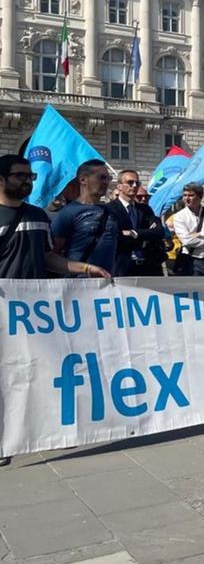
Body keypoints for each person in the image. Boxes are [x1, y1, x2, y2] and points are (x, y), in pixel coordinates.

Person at [0, 154, 110, 466]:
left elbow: (50, 258)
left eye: (29, 176)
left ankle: (33, 432)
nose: (27, 181)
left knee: (33, 370)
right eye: (20, 175)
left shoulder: (37, 215)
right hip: (2, 310)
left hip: (34, 312)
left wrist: (85, 268)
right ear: (1, 179)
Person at [51, 159, 119, 276]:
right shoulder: (67, 213)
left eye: (109, 178)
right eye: (102, 177)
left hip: (108, 287)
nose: (106, 182)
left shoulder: (111, 211)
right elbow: (51, 256)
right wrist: (85, 269)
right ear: (83, 180)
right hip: (78, 286)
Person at [108, 170, 164, 276]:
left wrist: (134, 233)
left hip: (147, 267)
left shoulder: (145, 209)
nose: (134, 186)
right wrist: (146, 233)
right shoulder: (109, 209)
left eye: (137, 183)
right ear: (119, 186)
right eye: (130, 182)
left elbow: (158, 231)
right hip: (122, 267)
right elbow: (115, 234)